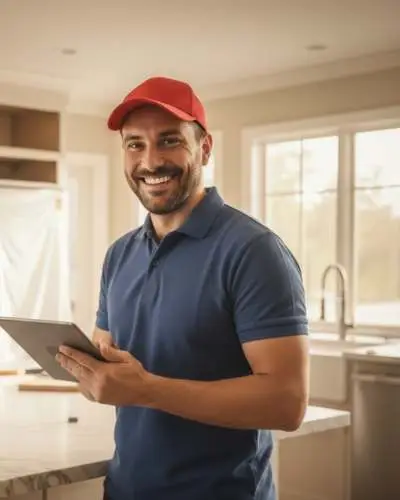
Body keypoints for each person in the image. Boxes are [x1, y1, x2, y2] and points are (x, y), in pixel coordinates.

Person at [56, 76, 309, 500]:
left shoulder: (253, 251)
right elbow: (111, 356)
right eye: (135, 144)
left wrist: (146, 388)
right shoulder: (119, 255)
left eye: (169, 141)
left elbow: (287, 403)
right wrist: (91, 370)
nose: (150, 161)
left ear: (204, 148)